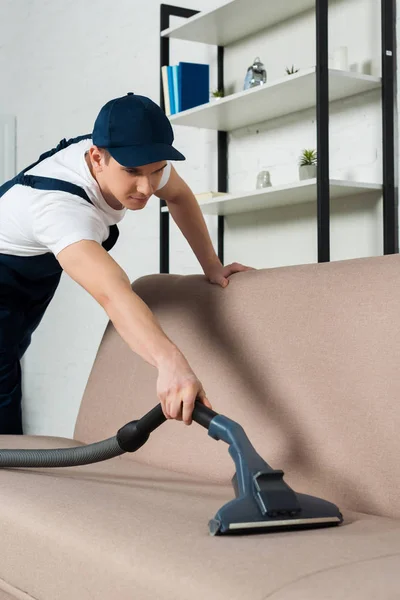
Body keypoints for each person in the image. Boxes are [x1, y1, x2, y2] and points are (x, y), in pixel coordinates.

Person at [0, 92, 255, 435]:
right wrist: (171, 363)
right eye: (132, 172)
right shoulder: (60, 210)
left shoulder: (136, 157)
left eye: (157, 171)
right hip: (8, 271)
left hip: (30, 271)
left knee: (11, 355)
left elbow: (178, 195)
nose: (147, 187)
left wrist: (212, 265)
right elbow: (113, 294)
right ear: (97, 157)